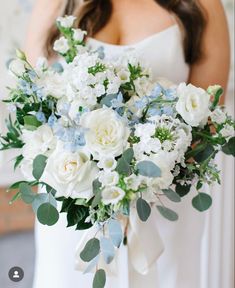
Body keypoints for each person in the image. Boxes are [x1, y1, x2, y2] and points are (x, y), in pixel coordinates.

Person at [25, 1, 230, 288]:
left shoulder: (201, 5)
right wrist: (94, 175)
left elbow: (206, 122)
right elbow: (37, 108)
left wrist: (135, 177)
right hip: (75, 205)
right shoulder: (56, 3)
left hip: (161, 208)